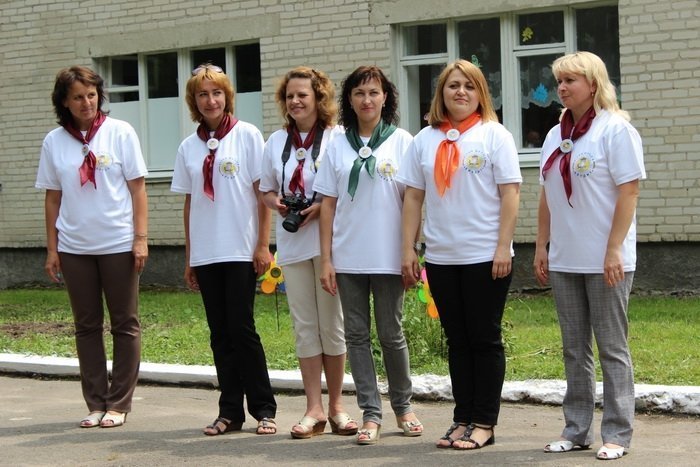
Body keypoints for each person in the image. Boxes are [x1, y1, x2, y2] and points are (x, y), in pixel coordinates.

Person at [398, 59, 521, 451]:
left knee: (484, 339)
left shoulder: (494, 135)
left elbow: (510, 194)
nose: (461, 92)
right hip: (441, 258)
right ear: (442, 93)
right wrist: (408, 248)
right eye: (453, 85)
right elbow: (413, 197)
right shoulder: (424, 140)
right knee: (457, 340)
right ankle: (462, 417)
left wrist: (503, 246)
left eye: (469, 85)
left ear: (480, 92)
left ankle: (484, 422)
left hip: (486, 256)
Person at [533, 51, 645, 461]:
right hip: (565, 258)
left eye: (570, 80)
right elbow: (547, 193)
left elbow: (629, 191)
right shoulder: (554, 134)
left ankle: (617, 433)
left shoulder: (616, 130)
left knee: (612, 348)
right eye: (559, 81)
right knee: (574, 348)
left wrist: (614, 248)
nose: (561, 87)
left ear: (593, 84)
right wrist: (542, 244)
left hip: (605, 261)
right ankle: (576, 429)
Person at [313, 65, 423, 445]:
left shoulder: (403, 141)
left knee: (391, 334)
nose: (367, 99)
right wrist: (326, 259)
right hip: (348, 257)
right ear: (349, 99)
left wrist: (411, 250)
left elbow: (413, 200)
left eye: (374, 92)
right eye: (359, 93)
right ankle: (371, 413)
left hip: (390, 256)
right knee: (356, 336)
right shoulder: (336, 145)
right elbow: (328, 205)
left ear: (385, 97)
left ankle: (403, 407)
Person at [35, 66, 148, 429]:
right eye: (77, 97)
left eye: (91, 95)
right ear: (64, 103)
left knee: (125, 324)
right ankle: (96, 402)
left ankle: (119, 403)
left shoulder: (120, 132)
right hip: (74, 247)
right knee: (86, 326)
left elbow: (137, 189)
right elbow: (53, 198)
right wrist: (53, 249)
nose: (86, 103)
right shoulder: (54, 141)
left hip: (118, 243)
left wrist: (140, 238)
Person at [170, 63, 277, 436]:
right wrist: (190, 258)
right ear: (194, 101)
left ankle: (264, 408)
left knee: (242, 329)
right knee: (219, 334)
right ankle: (230, 411)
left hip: (240, 250)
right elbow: (191, 204)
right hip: (206, 253)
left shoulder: (247, 135)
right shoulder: (188, 146)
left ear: (227, 96)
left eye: (216, 92)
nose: (210, 100)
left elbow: (263, 195)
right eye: (202, 94)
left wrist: (263, 245)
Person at [259, 66, 358, 439]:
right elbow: (266, 190)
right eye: (289, 96)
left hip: (331, 244)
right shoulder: (275, 141)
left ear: (319, 97)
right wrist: (277, 204)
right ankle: (313, 408)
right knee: (305, 327)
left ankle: (337, 407)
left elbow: (346, 188)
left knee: (332, 324)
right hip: (293, 244)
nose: (295, 101)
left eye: (303, 94)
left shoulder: (338, 137)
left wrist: (321, 206)